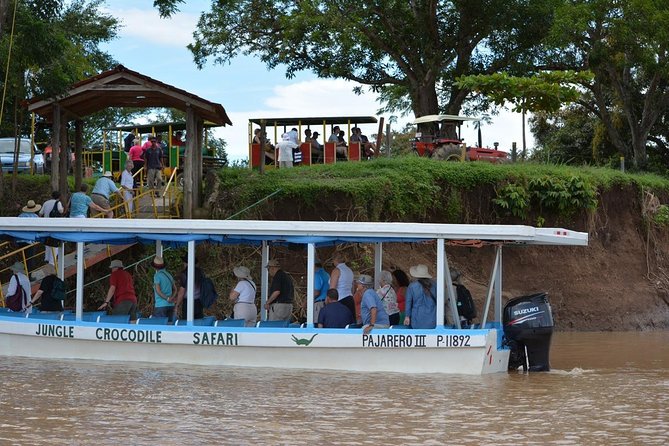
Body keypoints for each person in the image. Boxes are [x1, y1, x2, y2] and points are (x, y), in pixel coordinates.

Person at [404, 264, 437, 329]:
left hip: (417, 318)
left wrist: (407, 316)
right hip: (432, 317)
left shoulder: (412, 286)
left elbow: (408, 302)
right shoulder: (434, 285)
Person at [174, 255, 204, 320]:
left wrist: (177, 305)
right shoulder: (200, 272)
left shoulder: (184, 273)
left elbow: (182, 291)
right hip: (199, 301)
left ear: (186, 263)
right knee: (198, 322)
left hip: (188, 303)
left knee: (187, 321)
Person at [39, 191, 65, 265]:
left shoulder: (46, 203)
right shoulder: (58, 203)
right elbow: (61, 211)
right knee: (54, 243)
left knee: (47, 242)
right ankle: (52, 261)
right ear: (59, 197)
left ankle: (46, 258)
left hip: (45, 225)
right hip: (54, 226)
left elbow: (40, 213)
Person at [329, 252, 355, 320]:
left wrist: (328, 300)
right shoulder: (350, 270)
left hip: (339, 299)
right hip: (350, 298)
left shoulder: (336, 270)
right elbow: (352, 287)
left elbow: (332, 289)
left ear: (335, 260)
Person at [18, 200, 41, 272]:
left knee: (23, 259)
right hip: (29, 240)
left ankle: (22, 274)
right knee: (30, 259)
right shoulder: (35, 217)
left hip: (20, 241)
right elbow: (39, 229)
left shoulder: (20, 216)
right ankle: (29, 275)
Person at [151, 256, 176, 322]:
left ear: (154, 267)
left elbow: (158, 291)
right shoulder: (169, 275)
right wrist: (171, 298)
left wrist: (167, 299)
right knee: (169, 326)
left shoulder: (157, 276)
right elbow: (175, 289)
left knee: (159, 326)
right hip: (171, 305)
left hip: (160, 305)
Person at [313, 259, 330, 324]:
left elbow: (317, 292)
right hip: (326, 302)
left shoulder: (316, 275)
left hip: (318, 303)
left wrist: (307, 302)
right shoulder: (326, 274)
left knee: (317, 323)